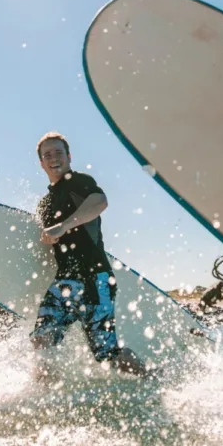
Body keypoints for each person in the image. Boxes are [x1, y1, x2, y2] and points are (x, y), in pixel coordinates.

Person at [31, 131, 147, 377]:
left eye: (59, 152)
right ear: (41, 163)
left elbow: (100, 201)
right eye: (47, 155)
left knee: (107, 355)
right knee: (41, 338)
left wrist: (63, 226)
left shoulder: (79, 182)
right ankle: (44, 393)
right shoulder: (44, 204)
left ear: (69, 157)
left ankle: (154, 378)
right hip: (64, 280)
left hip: (94, 278)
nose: (54, 158)